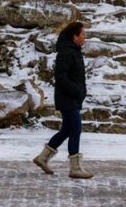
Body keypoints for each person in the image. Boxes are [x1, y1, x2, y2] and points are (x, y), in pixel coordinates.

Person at [32, 21, 93, 179]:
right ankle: (75, 168)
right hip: (68, 98)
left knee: (67, 129)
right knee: (76, 129)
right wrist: (76, 91)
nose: (85, 37)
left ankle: (42, 158)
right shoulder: (67, 52)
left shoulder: (74, 50)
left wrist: (79, 92)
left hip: (72, 98)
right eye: (83, 34)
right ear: (75, 37)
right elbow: (60, 77)